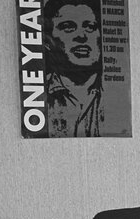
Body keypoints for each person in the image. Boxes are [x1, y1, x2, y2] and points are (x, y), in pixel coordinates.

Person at [43, 0, 103, 137]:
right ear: (48, 41)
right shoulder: (38, 94)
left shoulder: (114, 93)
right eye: (68, 27)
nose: (82, 36)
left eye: (90, 27)